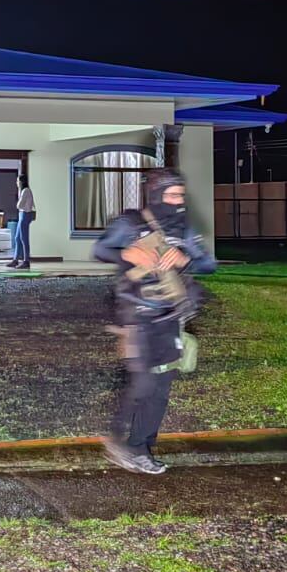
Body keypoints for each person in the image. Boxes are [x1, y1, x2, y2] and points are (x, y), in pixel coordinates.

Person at [93, 169, 216, 474]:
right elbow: (100, 249)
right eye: (172, 195)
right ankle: (122, 442)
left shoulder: (184, 228)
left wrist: (184, 258)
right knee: (143, 381)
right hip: (137, 315)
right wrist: (128, 254)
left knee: (161, 387)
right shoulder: (131, 223)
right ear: (156, 194)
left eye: (181, 195)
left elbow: (209, 264)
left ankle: (143, 446)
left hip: (170, 316)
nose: (178, 202)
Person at [7, 174, 36, 269]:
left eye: (17, 181)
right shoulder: (22, 191)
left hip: (25, 215)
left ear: (21, 181)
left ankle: (26, 261)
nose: (16, 182)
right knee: (17, 238)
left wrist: (19, 203)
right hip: (21, 214)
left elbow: (19, 205)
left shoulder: (26, 191)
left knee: (24, 239)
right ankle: (15, 260)